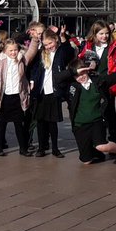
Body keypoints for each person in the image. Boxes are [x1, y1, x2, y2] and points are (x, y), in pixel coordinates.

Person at [56, 52, 116, 166]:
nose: (81, 77)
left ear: (87, 70)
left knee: (101, 145)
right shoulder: (72, 86)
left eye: (83, 73)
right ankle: (96, 153)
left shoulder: (98, 81)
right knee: (86, 161)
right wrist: (74, 72)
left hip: (97, 121)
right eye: (77, 75)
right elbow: (57, 79)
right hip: (80, 125)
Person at [0, 27, 39, 156]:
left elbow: (31, 51)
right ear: (5, 50)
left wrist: (35, 39)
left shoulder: (22, 59)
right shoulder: (0, 60)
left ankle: (23, 149)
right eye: (11, 50)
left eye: (15, 50)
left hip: (18, 97)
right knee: (2, 124)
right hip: (5, 96)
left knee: (19, 125)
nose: (13, 52)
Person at [28, 28, 74, 158]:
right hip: (41, 91)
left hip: (54, 91)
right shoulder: (41, 53)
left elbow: (69, 51)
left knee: (52, 122)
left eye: (50, 43)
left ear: (55, 40)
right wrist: (32, 80)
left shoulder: (61, 51)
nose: (49, 47)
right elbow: (35, 68)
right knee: (41, 122)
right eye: (46, 44)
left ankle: (55, 148)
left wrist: (63, 36)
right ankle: (41, 148)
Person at [82, 21, 116, 147]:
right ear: (94, 34)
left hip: (108, 85)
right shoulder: (88, 47)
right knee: (95, 113)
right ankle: (97, 140)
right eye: (101, 33)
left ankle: (114, 140)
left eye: (107, 33)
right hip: (93, 84)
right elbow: (81, 61)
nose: (104, 36)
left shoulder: (114, 48)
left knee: (109, 113)